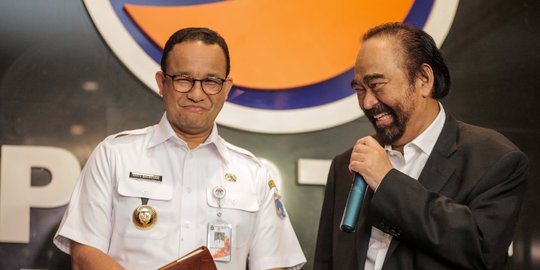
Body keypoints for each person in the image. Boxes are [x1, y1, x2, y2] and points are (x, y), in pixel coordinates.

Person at [54, 27, 306, 270]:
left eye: (211, 81)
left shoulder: (254, 174)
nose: (197, 94)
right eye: (183, 79)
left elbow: (274, 263)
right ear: (162, 83)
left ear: (226, 89)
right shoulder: (114, 155)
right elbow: (85, 254)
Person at [314, 22, 528, 270]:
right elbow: (326, 261)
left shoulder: (494, 159)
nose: (368, 101)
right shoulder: (348, 164)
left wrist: (387, 182)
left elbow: (483, 250)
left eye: (377, 85)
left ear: (424, 79)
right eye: (360, 89)